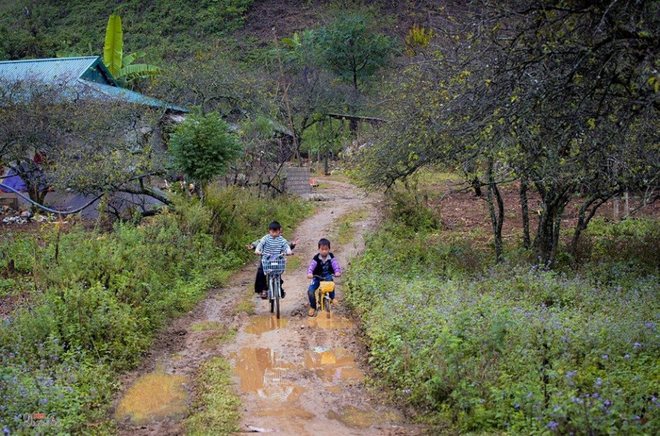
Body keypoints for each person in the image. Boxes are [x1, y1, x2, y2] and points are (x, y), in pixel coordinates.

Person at [250, 221, 295, 299]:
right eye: (272, 231)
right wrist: (257, 250)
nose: (274, 233)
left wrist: (289, 251)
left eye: (276, 231)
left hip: (277, 260)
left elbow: (286, 246)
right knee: (261, 272)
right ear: (269, 231)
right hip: (266, 260)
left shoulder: (281, 239)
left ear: (279, 231)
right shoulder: (266, 238)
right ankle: (263, 290)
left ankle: (279, 290)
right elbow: (260, 244)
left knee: (278, 273)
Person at [306, 238, 342, 317]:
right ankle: (313, 306)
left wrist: (337, 272)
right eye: (322, 249)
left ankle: (332, 298)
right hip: (317, 277)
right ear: (319, 249)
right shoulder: (316, 258)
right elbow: (311, 267)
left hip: (327, 275)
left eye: (326, 249)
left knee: (331, 284)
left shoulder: (331, 257)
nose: (324, 251)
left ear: (329, 249)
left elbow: (335, 264)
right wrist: (310, 273)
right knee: (310, 291)